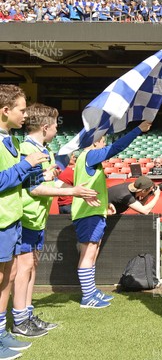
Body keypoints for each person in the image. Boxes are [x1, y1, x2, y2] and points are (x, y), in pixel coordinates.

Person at [13, 103, 98, 339]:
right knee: (24, 268)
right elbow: (35, 189)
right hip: (26, 217)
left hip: (37, 219)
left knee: (32, 266)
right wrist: (73, 193)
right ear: (45, 127)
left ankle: (27, 314)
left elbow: (48, 183)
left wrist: (74, 188)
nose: (57, 131)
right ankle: (20, 319)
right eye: (55, 127)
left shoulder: (44, 150)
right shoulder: (27, 150)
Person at [72, 120, 152, 309]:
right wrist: (138, 130)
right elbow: (116, 148)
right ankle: (87, 297)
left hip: (94, 211)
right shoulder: (89, 155)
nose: (104, 146)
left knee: (93, 251)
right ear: (94, 142)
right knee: (88, 253)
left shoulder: (86, 159)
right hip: (87, 213)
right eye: (102, 142)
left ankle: (91, 292)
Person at [0, 85, 50, 358]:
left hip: (13, 219)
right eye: (21, 109)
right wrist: (27, 164)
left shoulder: (12, 141)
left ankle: (2, 334)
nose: (25, 114)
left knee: (7, 279)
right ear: (5, 110)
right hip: (2, 220)